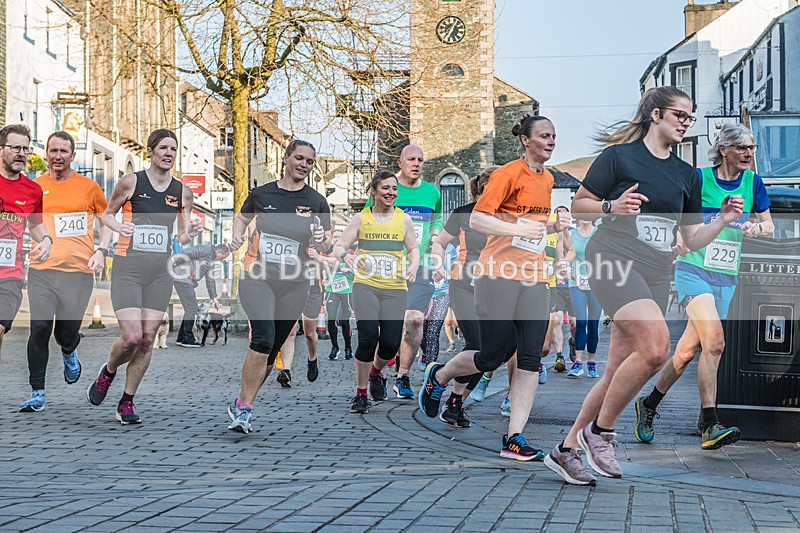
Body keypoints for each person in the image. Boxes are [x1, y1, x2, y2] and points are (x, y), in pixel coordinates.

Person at [543, 86, 743, 486]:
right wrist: (610, 207)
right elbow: (580, 202)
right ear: (655, 115)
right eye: (679, 115)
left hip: (654, 270)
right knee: (655, 347)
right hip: (612, 259)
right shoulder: (620, 157)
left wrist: (719, 221)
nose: (686, 123)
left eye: (690, 117)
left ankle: (565, 450)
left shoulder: (686, 174)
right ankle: (601, 433)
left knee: (618, 369)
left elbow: (690, 238)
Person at [419, 115, 570, 460]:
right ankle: (439, 377)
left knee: (530, 356)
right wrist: (520, 230)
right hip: (495, 275)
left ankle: (514, 438)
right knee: (491, 355)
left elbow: (529, 227)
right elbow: (478, 219)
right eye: (544, 136)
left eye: (554, 136)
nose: (551, 141)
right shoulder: (506, 174)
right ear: (526, 140)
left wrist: (551, 225)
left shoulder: (546, 178)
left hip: (533, 277)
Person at [634, 123, 773, 450]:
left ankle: (649, 404)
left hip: (726, 276)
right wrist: (679, 237)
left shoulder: (753, 182)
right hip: (694, 269)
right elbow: (675, 216)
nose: (748, 154)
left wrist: (757, 227)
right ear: (723, 148)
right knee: (716, 342)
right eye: (742, 148)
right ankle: (710, 423)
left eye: (752, 148)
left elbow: (769, 224)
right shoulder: (699, 178)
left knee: (685, 353)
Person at [86, 129, 202, 425]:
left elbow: (183, 237)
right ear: (151, 151)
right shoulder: (131, 182)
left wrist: (193, 233)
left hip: (159, 273)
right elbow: (107, 215)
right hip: (128, 267)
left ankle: (126, 402)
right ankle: (108, 372)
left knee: (148, 339)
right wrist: (119, 228)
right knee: (132, 336)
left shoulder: (182, 192)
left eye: (173, 149)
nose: (168, 153)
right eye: (163, 148)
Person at [226, 139, 331, 434]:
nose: (304, 165)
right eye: (299, 158)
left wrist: (323, 239)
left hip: (295, 283)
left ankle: (241, 402)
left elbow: (327, 242)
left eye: (310, 162)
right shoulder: (262, 194)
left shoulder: (317, 201)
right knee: (262, 339)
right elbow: (241, 219)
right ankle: (245, 409)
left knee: (271, 353)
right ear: (286, 158)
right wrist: (236, 236)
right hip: (257, 276)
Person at [20, 131, 110, 412]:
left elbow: (106, 219)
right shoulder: (35, 188)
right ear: (46, 154)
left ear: (73, 156)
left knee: (65, 331)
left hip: (78, 272)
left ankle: (70, 349)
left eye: (63, 151)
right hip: (42, 270)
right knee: (40, 328)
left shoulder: (89, 187)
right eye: (53, 151)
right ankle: (37, 391)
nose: (58, 156)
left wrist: (102, 250)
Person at [332, 170, 419, 414]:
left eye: (394, 189)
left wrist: (413, 265)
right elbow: (339, 245)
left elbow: (413, 248)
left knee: (390, 344)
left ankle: (376, 373)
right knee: (368, 337)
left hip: (394, 287)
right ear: (374, 191)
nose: (391, 193)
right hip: (365, 285)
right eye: (386, 188)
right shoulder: (362, 218)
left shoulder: (404, 220)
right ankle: (360, 394)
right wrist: (346, 257)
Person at [365, 145, 442, 400]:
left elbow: (437, 220)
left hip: (419, 265)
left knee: (414, 320)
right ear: (400, 162)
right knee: (385, 328)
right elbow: (366, 217)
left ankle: (403, 375)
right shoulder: (387, 188)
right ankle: (377, 371)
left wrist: (434, 235)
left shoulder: (431, 192)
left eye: (421, 159)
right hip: (385, 266)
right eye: (411, 159)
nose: (416, 163)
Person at [430, 166, 495, 427]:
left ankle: (456, 402)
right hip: (464, 285)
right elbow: (440, 242)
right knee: (476, 344)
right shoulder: (463, 214)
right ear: (481, 187)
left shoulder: (508, 217)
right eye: (493, 184)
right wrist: (437, 264)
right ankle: (443, 384)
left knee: (492, 352)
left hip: (494, 289)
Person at [0, 124, 52, 361]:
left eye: (26, 148)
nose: (21, 153)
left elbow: (36, 225)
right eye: (15, 147)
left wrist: (47, 240)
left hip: (10, 273)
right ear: (1, 149)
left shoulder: (32, 191)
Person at [170, 243, 231, 347]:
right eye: (222, 258)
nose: (221, 260)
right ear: (220, 252)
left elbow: (210, 280)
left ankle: (181, 338)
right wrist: (187, 269)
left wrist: (214, 298)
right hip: (183, 278)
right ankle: (187, 339)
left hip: (185, 281)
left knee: (190, 309)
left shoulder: (211, 260)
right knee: (192, 308)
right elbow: (185, 253)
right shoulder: (206, 249)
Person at [562, 218, 601, 378]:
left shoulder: (598, 234)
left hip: (596, 285)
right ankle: (578, 363)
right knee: (581, 322)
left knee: (593, 325)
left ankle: (591, 362)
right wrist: (564, 268)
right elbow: (569, 254)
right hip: (576, 283)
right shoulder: (571, 234)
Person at [418, 243, 457, 370]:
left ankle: (430, 368)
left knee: (433, 332)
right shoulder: (423, 245)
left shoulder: (450, 247)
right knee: (420, 333)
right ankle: (425, 354)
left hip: (442, 294)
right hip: (422, 293)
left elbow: (455, 267)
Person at [322, 229, 354, 361]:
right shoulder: (329, 254)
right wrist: (324, 279)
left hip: (347, 290)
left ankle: (348, 347)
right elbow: (324, 268)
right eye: (334, 237)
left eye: (339, 236)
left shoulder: (351, 253)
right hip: (332, 290)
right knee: (331, 319)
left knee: (345, 321)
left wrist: (349, 269)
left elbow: (359, 269)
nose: (336, 239)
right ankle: (335, 347)